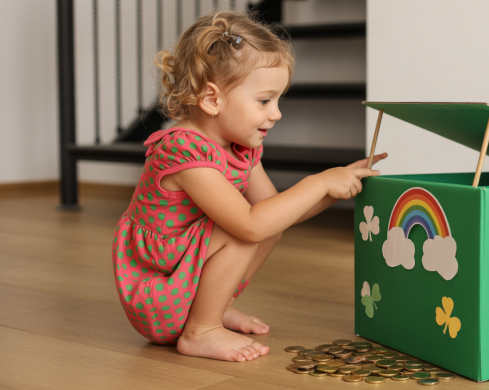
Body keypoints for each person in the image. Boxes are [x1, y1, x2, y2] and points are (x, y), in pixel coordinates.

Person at [112, 10, 386, 363]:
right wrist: (317, 182)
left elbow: (277, 213)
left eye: (278, 100)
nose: (276, 113)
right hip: (158, 293)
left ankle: (214, 309)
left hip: (185, 280)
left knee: (268, 227)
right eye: (264, 101)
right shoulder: (181, 147)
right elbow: (250, 224)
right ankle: (201, 330)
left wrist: (332, 188)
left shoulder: (241, 148)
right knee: (244, 230)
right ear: (212, 100)